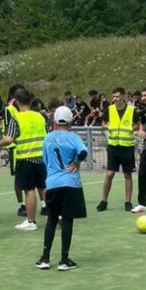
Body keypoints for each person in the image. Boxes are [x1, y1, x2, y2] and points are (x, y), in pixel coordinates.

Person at [35, 106, 88, 271]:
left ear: (55, 120)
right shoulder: (73, 137)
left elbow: (45, 160)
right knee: (67, 220)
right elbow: (83, 152)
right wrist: (76, 162)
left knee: (51, 219)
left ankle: (45, 258)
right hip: (70, 182)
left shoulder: (48, 138)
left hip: (53, 182)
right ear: (70, 120)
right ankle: (64, 259)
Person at [0, 89, 47, 232]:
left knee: (29, 190)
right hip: (41, 157)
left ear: (17, 102)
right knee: (43, 187)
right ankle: (56, 215)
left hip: (25, 158)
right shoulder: (40, 116)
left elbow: (9, 139)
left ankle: (31, 221)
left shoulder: (16, 118)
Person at [97, 87, 139, 212]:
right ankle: (104, 201)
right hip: (113, 146)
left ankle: (128, 202)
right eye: (114, 96)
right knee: (109, 174)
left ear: (123, 97)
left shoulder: (132, 110)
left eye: (117, 96)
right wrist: (108, 126)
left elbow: (137, 125)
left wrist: (132, 128)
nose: (114, 99)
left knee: (127, 174)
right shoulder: (109, 109)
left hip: (127, 147)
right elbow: (103, 124)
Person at [1, 84, 27, 217]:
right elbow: (7, 128)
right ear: (12, 95)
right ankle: (21, 205)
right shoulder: (9, 109)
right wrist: (11, 140)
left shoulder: (27, 108)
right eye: (18, 93)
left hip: (28, 146)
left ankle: (43, 203)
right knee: (18, 177)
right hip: (15, 147)